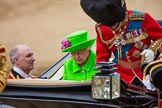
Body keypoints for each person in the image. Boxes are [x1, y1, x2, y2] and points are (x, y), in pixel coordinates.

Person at [80, 0, 162, 86]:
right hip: (120, 73)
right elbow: (102, 57)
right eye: (109, 25)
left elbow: (160, 37)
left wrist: (152, 50)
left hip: (145, 70)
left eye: (115, 24)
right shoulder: (101, 28)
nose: (112, 28)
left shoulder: (141, 19)